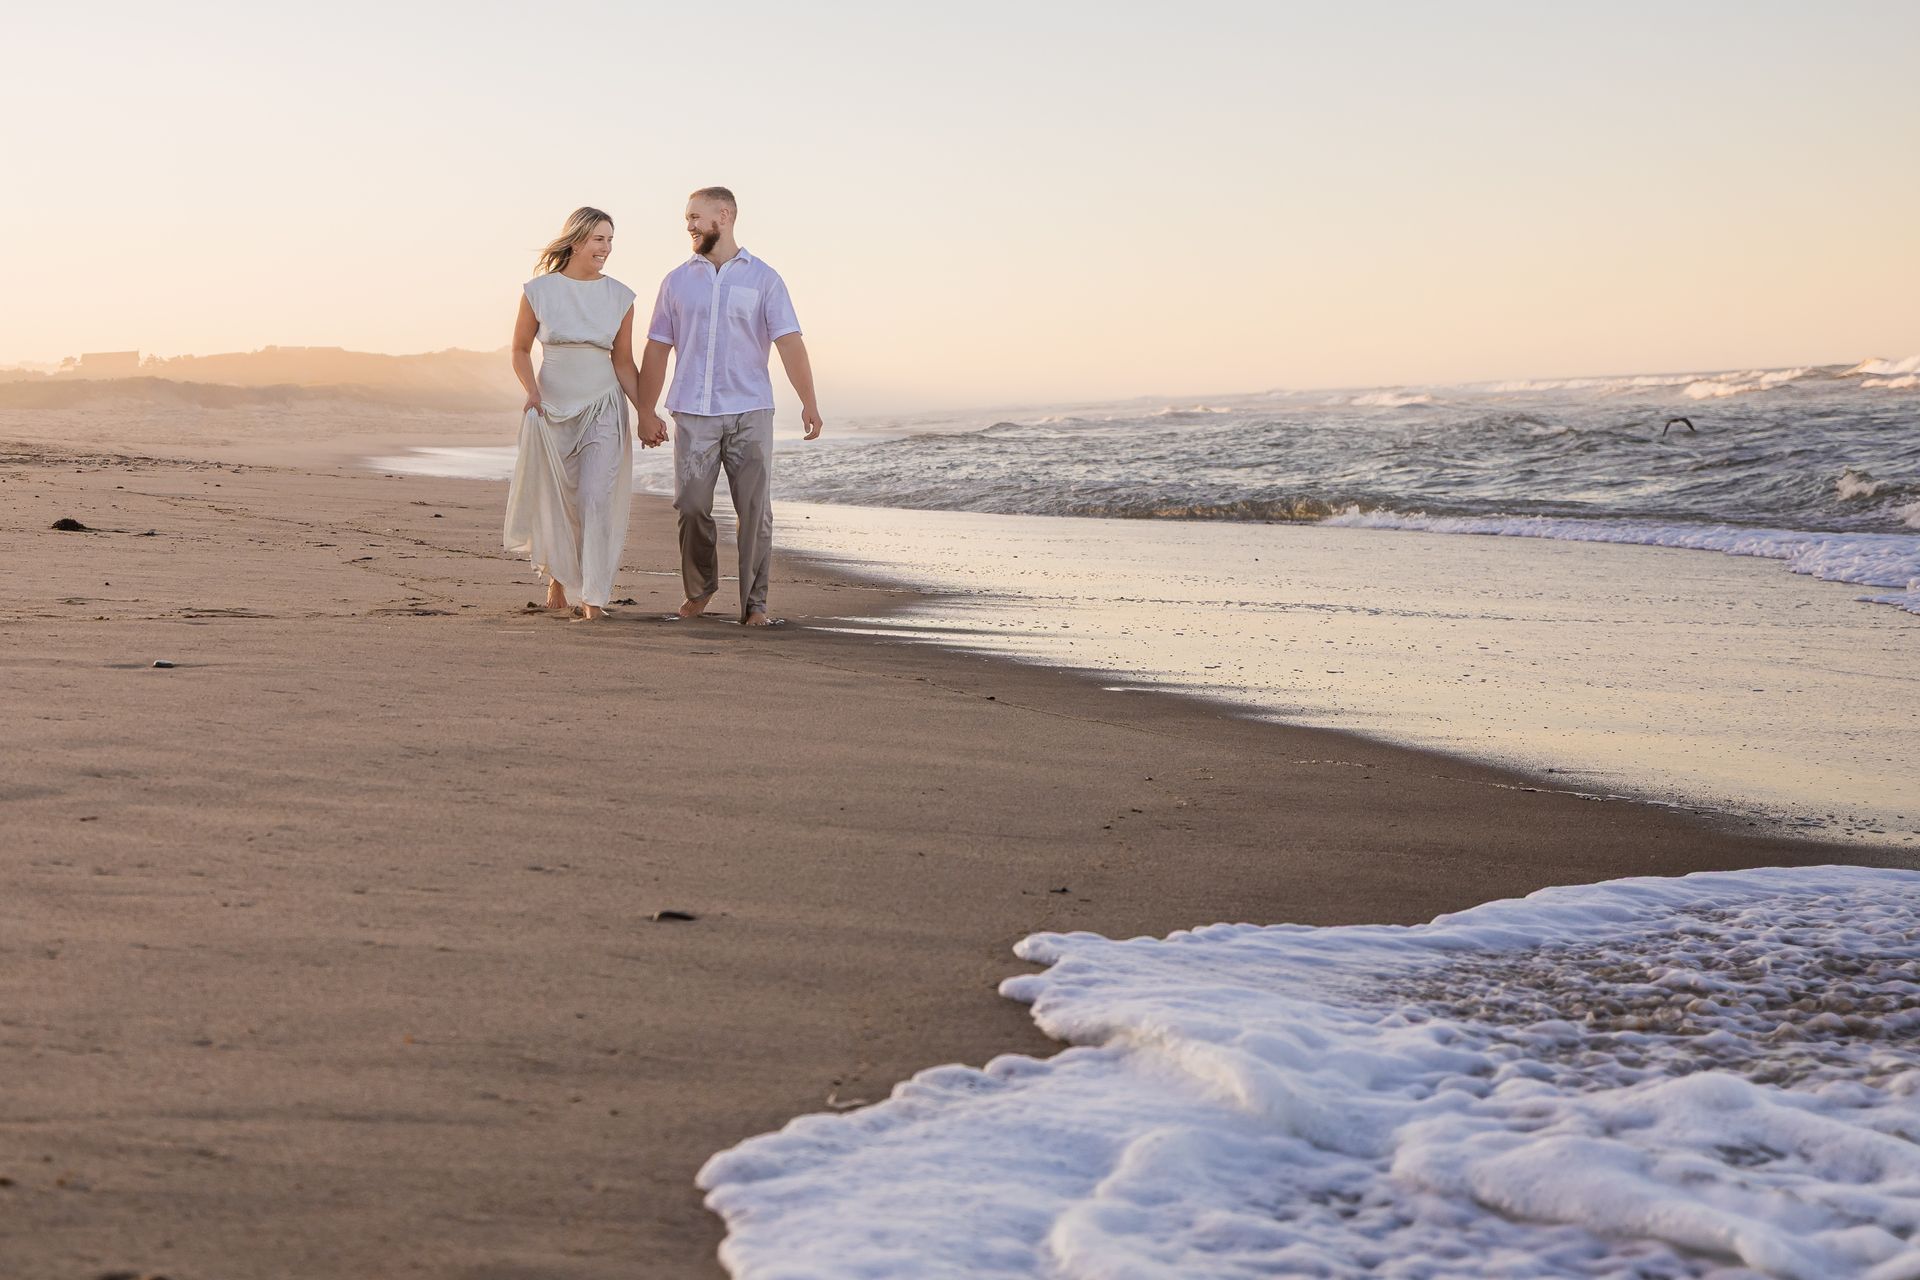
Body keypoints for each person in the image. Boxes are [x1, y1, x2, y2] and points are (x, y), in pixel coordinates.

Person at [634, 186, 822, 627]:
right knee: (691, 505)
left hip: (751, 410)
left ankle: (754, 604)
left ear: (724, 215)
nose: (689, 226)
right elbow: (657, 348)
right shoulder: (676, 281)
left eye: (695, 217)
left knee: (755, 511)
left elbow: (789, 342)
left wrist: (808, 400)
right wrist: (646, 410)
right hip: (694, 413)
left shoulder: (765, 279)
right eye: (687, 219)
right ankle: (700, 590)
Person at [503, 207, 664, 622]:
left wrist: (646, 412)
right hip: (550, 408)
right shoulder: (539, 291)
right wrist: (532, 392)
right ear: (576, 241)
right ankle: (557, 578)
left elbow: (624, 362)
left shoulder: (620, 297)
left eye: (610, 240)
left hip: (602, 406)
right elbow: (520, 349)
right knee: (559, 499)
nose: (606, 248)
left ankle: (592, 596)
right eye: (599, 239)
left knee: (595, 498)